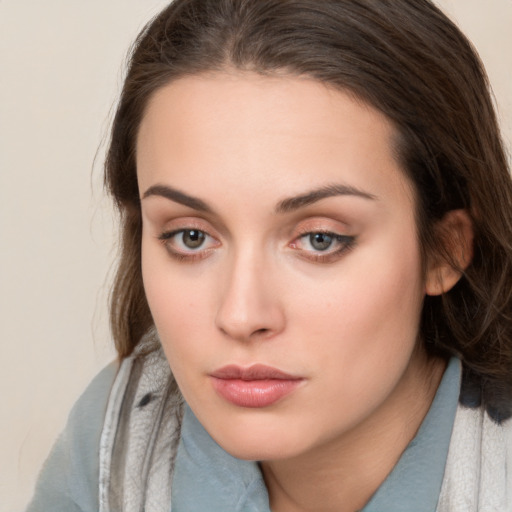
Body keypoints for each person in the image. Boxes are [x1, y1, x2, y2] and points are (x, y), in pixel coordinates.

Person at [26, 0, 512, 511]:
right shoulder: (113, 442)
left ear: (445, 251)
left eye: (319, 239)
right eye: (190, 236)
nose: (241, 315)